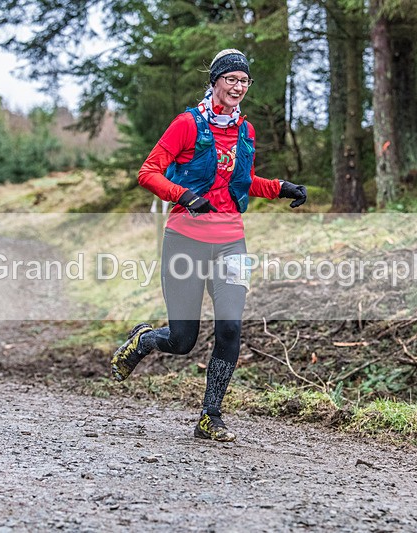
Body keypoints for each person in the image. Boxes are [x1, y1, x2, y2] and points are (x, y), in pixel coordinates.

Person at [111, 49, 308, 442]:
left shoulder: (245, 131)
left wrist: (280, 188)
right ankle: (145, 339)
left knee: (230, 328)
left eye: (244, 81)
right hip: (185, 239)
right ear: (215, 81)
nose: (238, 87)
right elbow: (148, 172)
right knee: (183, 341)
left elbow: (240, 181)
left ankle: (210, 415)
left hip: (231, 240)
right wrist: (183, 196)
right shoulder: (187, 124)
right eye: (231, 79)